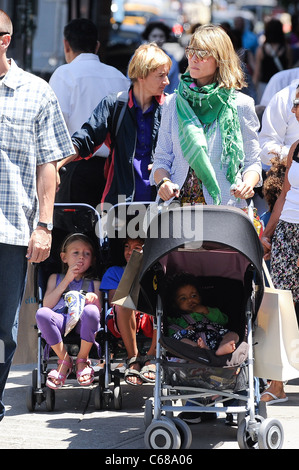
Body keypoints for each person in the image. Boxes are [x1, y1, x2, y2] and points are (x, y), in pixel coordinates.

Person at [0, 9, 75, 421]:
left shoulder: (36, 92)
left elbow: (49, 165)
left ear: (4, 39)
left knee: (2, 331)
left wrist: (44, 225)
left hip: (9, 231)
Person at [150, 24, 262, 208]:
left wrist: (247, 184)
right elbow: (161, 159)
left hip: (224, 207)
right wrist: (164, 183)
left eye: (202, 54)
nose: (193, 59)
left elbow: (253, 161)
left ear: (220, 59)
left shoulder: (241, 104)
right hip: (180, 206)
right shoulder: (174, 102)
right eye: (191, 51)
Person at [61, 43, 172, 206]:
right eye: (160, 75)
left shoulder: (169, 107)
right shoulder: (114, 105)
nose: (167, 81)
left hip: (161, 203)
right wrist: (55, 165)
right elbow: (85, 139)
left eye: (167, 75)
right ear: (141, 76)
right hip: (120, 204)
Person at [49, 18, 129, 208]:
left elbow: (53, 128)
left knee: (71, 235)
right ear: (97, 46)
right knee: (108, 233)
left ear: (66, 44)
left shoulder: (64, 73)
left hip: (73, 169)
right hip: (113, 172)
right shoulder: (118, 77)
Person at [260, 86, 299, 405]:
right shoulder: (296, 148)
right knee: (283, 308)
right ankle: (277, 384)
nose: (294, 110)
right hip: (288, 232)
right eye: (295, 104)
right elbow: (284, 195)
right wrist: (268, 235)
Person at [36, 233, 101, 388]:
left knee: (92, 310)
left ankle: (82, 360)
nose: (81, 257)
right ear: (64, 257)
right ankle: (64, 359)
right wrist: (67, 280)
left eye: (87, 254)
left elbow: (97, 315)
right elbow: (47, 304)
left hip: (82, 323)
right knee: (42, 313)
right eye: (76, 252)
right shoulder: (55, 278)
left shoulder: (94, 282)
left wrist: (94, 299)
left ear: (92, 260)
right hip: (61, 319)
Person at [100, 236, 156, 386]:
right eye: (127, 246)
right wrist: (133, 271)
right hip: (122, 317)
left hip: (150, 317)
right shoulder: (114, 272)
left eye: (136, 248)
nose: (130, 251)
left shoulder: (155, 271)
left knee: (159, 304)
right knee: (124, 301)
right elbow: (113, 302)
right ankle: (133, 358)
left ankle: (152, 356)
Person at [167, 273, 239, 356]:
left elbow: (223, 321)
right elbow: (171, 332)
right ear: (175, 304)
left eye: (194, 296)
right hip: (194, 344)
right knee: (179, 340)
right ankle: (201, 351)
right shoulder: (177, 320)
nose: (190, 300)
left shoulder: (207, 311)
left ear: (200, 297)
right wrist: (184, 331)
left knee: (233, 334)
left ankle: (224, 346)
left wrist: (206, 311)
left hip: (215, 339)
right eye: (183, 298)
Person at [259, 80, 299, 167]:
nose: (293, 110)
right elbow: (265, 150)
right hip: (290, 176)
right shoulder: (283, 98)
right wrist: (294, 153)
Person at [253, 18, 291, 104]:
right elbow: (289, 69)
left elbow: (257, 73)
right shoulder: (287, 49)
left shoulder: (261, 50)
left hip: (264, 87)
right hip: (283, 86)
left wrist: (253, 89)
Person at [141, 21, 179, 94]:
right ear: (148, 37)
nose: (158, 39)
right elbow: (131, 82)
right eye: (154, 36)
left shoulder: (171, 59)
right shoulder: (139, 58)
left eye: (161, 36)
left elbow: (175, 85)